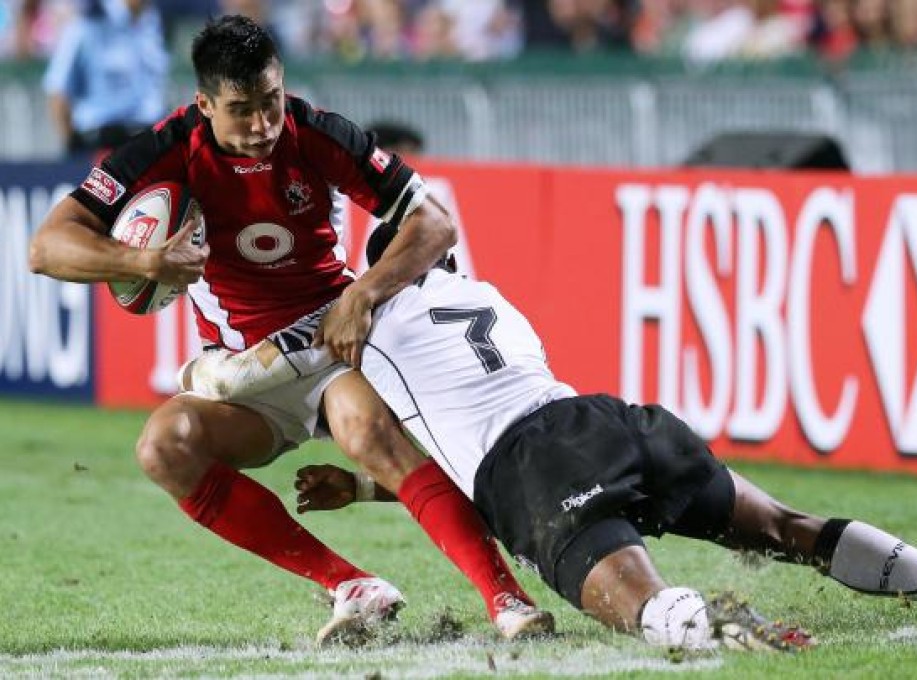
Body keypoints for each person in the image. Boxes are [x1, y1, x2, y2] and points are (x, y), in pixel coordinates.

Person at [181, 222, 917, 653]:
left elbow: (234, 377)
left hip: (530, 466)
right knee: (788, 527)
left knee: (643, 604)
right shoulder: (485, 293)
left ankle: (725, 628)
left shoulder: (360, 319)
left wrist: (202, 369)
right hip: (609, 421)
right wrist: (367, 488)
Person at [28, 15, 552, 646]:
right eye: (241, 110)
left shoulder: (319, 132)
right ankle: (352, 585)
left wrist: (361, 295)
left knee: (369, 432)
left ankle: (507, 600)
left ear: (283, 85)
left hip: (330, 342)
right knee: (162, 448)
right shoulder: (164, 149)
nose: (262, 126)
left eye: (271, 101)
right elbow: (48, 246)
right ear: (203, 105)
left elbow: (434, 223)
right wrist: (143, 261)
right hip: (247, 369)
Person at [43, 0, 170, 157]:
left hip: (151, 142)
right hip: (103, 145)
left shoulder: (154, 22)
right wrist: (72, 151)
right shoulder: (89, 23)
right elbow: (58, 91)